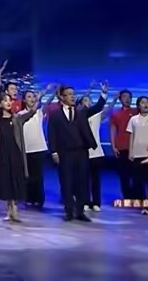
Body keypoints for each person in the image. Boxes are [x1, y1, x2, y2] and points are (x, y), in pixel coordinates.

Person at [47, 85, 102, 222]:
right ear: (62, 97)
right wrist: (53, 151)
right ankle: (69, 211)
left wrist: (104, 95)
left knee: (82, 182)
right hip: (65, 153)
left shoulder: (81, 112)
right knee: (66, 182)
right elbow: (52, 134)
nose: (72, 96)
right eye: (69, 94)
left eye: (73, 94)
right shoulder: (55, 115)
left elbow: (96, 108)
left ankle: (80, 211)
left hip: (81, 152)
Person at [0, 91, 40, 222]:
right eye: (5, 100)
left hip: (16, 154)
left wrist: (37, 100)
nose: (8, 103)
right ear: (0, 104)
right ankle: (8, 210)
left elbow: (31, 113)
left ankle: (15, 209)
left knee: (16, 181)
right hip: (3, 154)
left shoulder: (17, 118)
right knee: (6, 181)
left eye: (10, 100)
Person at [108, 89, 145, 203]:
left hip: (136, 148)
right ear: (120, 99)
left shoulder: (136, 112)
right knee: (124, 175)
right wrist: (113, 146)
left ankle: (139, 197)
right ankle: (128, 197)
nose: (127, 99)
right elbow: (113, 130)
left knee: (138, 174)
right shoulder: (115, 114)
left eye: (129, 97)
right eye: (124, 97)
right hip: (122, 148)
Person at [82, 83, 110, 211]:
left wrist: (104, 93)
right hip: (83, 153)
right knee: (84, 180)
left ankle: (96, 203)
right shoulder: (77, 116)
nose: (86, 103)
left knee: (95, 180)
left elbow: (102, 107)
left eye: (88, 101)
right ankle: (85, 201)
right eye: (84, 101)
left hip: (96, 152)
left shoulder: (96, 115)